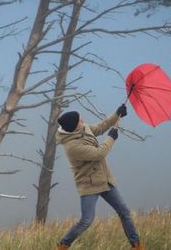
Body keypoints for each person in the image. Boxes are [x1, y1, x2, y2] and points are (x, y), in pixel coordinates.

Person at [55, 105, 144, 250]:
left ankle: (137, 245)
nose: (82, 120)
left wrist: (117, 114)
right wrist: (111, 137)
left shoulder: (83, 128)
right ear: (73, 127)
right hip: (89, 184)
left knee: (124, 211)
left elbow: (101, 127)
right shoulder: (72, 147)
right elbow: (99, 154)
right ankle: (63, 245)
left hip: (104, 179)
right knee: (86, 221)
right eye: (79, 120)